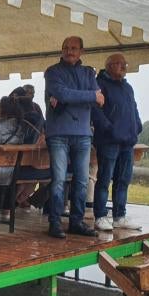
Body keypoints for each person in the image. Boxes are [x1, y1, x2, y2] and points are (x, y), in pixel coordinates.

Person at [44, 36, 105, 238]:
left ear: (81, 52)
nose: (70, 51)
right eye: (66, 48)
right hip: (58, 133)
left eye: (74, 48)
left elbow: (100, 99)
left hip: (83, 134)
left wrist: (71, 96)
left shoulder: (89, 73)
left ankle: (76, 222)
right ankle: (54, 223)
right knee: (59, 180)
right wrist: (88, 96)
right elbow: (64, 94)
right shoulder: (53, 72)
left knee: (81, 181)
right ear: (61, 50)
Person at [91, 53, 144, 231]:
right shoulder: (100, 84)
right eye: (120, 64)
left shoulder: (127, 87)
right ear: (109, 66)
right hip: (109, 140)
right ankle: (100, 216)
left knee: (123, 180)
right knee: (104, 179)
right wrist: (109, 128)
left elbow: (134, 107)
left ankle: (119, 216)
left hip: (127, 141)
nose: (124, 67)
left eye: (125, 64)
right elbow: (95, 111)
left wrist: (137, 125)